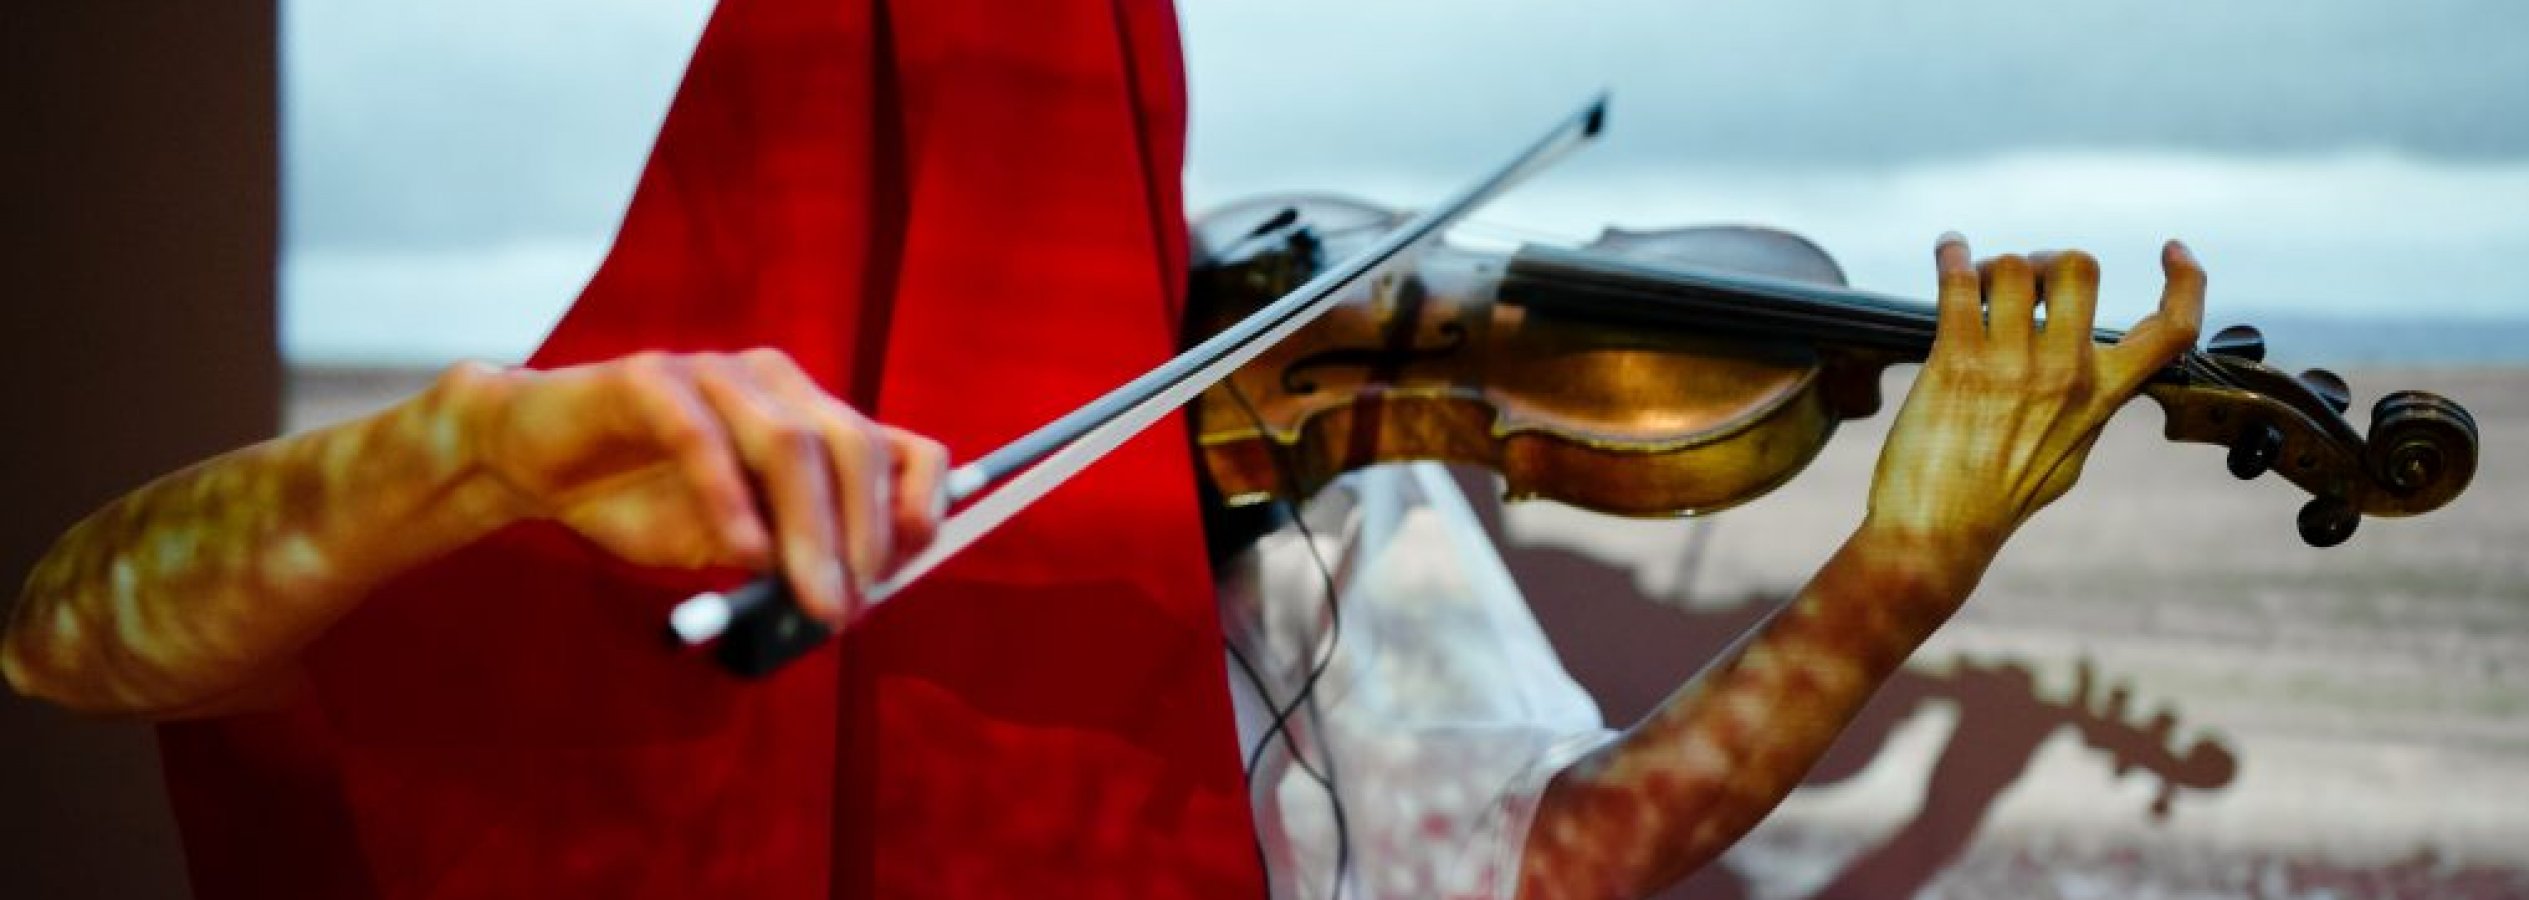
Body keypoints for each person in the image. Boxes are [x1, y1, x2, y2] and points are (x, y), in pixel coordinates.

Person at [3, 1, 2204, 898]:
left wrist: (1899, 572)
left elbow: (1528, 866)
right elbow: (78, 634)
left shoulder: (1291, 482)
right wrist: (476, 455)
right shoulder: (633, 471)